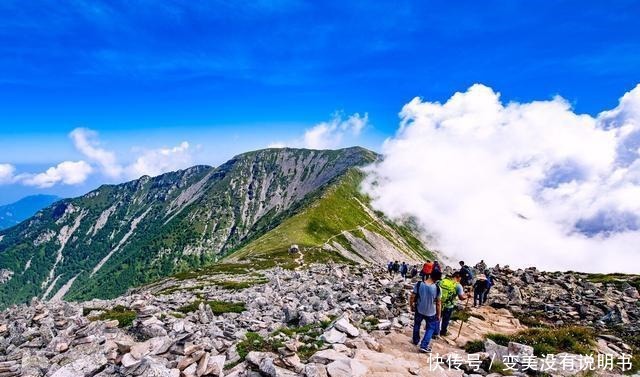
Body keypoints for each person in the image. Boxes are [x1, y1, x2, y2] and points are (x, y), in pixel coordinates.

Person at [410, 270, 442, 353]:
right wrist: (438, 315)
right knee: (430, 328)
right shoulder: (438, 288)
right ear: (437, 279)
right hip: (431, 312)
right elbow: (438, 303)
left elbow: (412, 296)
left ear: (430, 275)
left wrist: (411, 305)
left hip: (419, 309)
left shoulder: (419, 284)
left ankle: (415, 340)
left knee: (417, 324)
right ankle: (424, 345)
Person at [438, 271, 466, 336]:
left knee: (437, 317)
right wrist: (467, 297)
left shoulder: (443, 281)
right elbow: (461, 298)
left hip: (439, 303)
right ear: (458, 277)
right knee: (446, 320)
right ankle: (443, 332)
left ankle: (434, 331)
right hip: (449, 305)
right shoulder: (458, 285)